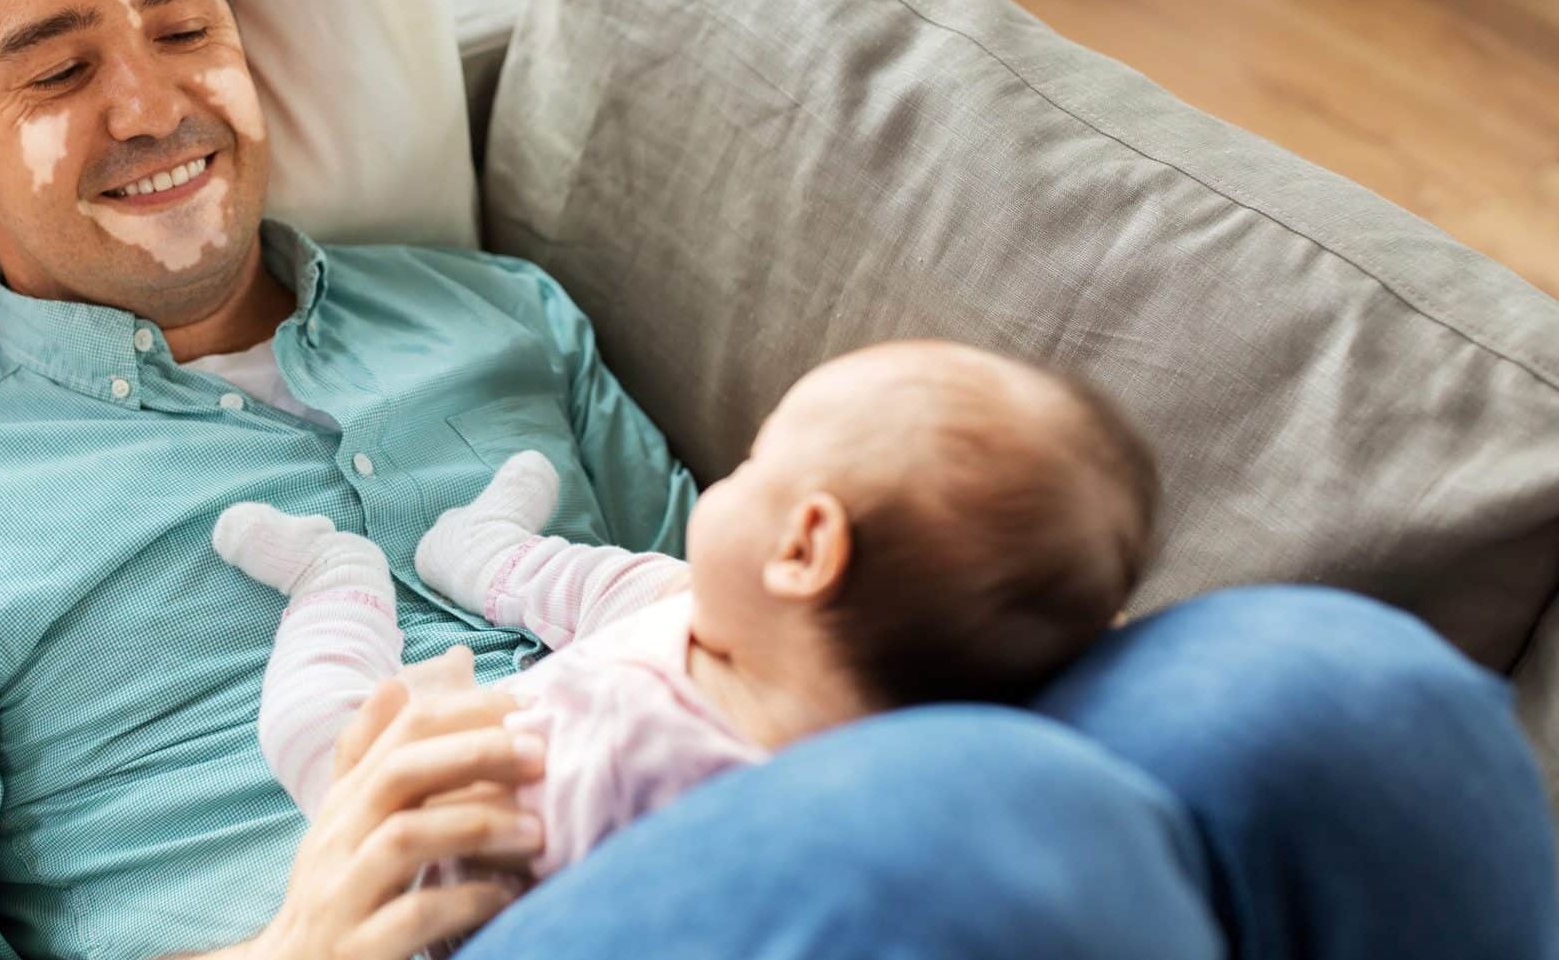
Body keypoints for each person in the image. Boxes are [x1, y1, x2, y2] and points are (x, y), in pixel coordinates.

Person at [0, 0, 1559, 959]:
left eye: (183, 24)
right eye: (53, 69)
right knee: (990, 837)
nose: (151, 103)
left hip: (711, 808)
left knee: (1340, 695)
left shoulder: (489, 314)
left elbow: (723, 595)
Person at [215, 340, 1154, 877]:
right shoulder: (780, 643)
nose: (731, 477)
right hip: (668, 647)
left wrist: (428, 741)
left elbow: (459, 860)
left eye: (755, 464)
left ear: (802, 549)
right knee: (638, 588)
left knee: (312, 730)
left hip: (462, 808)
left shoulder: (654, 778)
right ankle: (478, 546)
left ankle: (336, 579)